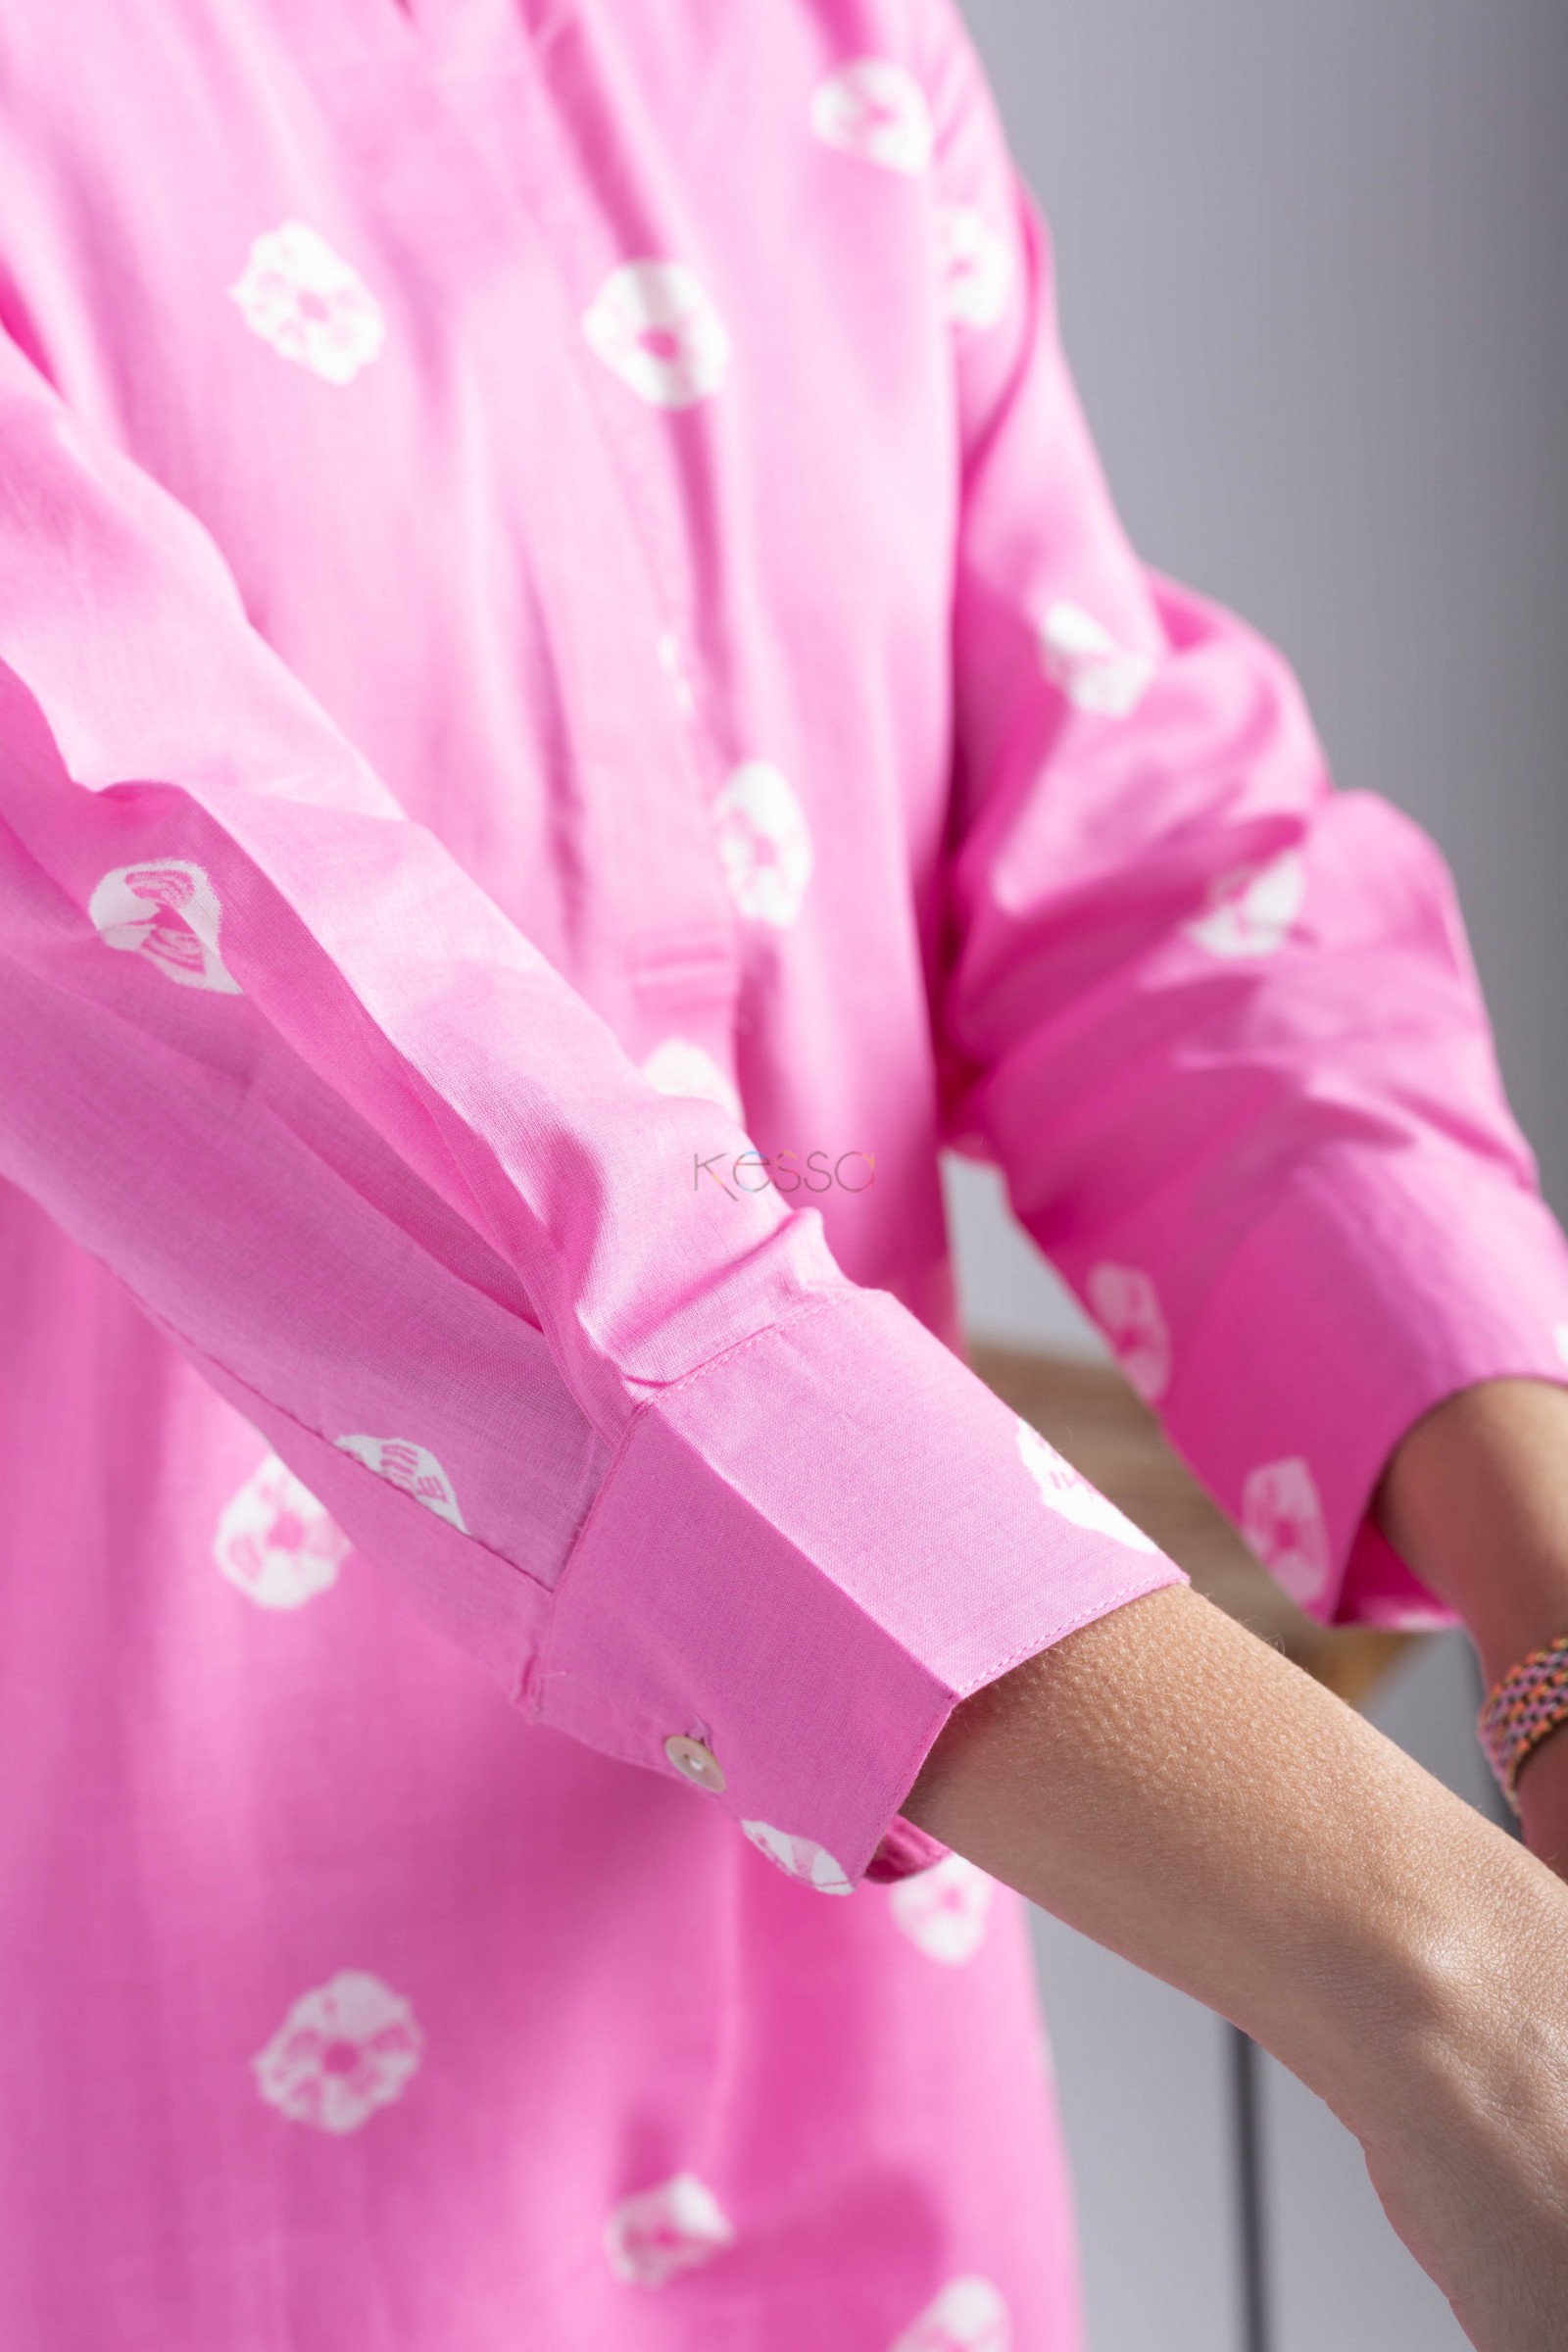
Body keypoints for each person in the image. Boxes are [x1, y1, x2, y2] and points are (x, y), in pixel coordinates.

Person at [1, 2, 1566, 2346]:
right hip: (164, 2096)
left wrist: (1553, 1641)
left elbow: (1134, 874)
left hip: (865, 2065)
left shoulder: (808, 37)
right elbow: (302, 1044)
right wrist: (1434, 1976)